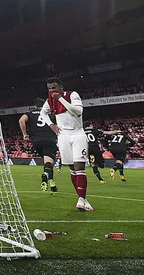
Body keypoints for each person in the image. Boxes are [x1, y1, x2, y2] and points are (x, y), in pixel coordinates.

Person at [39, 77, 91, 211]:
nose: (51, 90)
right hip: (63, 136)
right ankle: (83, 198)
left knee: (79, 165)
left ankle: (81, 199)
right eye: (49, 88)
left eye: (54, 87)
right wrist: (51, 124)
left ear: (61, 87)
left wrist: (60, 99)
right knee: (72, 168)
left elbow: (78, 112)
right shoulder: (49, 101)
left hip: (78, 134)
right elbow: (43, 113)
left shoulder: (72, 95)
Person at [19, 98, 58, 192]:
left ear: (35, 105)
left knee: (47, 162)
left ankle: (52, 184)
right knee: (49, 162)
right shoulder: (51, 113)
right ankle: (46, 174)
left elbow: (21, 121)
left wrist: (24, 134)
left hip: (36, 141)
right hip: (49, 139)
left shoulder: (30, 113)